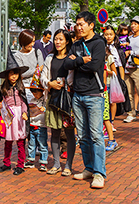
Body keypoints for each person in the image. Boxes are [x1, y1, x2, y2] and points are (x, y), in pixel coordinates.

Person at [64, 11, 107, 188]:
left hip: (94, 95)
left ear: (91, 25)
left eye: (82, 24)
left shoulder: (98, 43)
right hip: (77, 94)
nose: (78, 27)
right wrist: (82, 60)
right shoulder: (77, 44)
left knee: (96, 135)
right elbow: (67, 63)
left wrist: (77, 62)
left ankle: (99, 173)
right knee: (83, 135)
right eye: (77, 24)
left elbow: (94, 66)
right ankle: (89, 168)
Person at [41, 29, 76, 176]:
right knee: (54, 132)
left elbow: (73, 77)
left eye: (61, 39)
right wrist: (50, 83)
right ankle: (56, 164)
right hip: (53, 99)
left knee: (69, 133)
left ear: (67, 41)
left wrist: (64, 83)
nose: (58, 42)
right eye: (56, 39)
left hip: (67, 100)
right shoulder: (50, 57)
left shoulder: (72, 57)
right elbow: (43, 77)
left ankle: (68, 165)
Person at [0, 48, 29, 176]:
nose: (14, 76)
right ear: (7, 75)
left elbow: (24, 102)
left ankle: (20, 164)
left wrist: (25, 112)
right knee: (8, 141)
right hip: (8, 117)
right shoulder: (4, 88)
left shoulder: (20, 87)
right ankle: (6, 163)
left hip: (19, 116)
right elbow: (0, 103)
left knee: (20, 142)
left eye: (16, 73)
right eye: (11, 73)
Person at [123, 16, 139, 123]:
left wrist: (131, 52)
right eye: (132, 24)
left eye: (135, 24)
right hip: (128, 67)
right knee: (129, 92)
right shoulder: (130, 38)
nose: (132, 26)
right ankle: (131, 113)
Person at [103, 25, 127, 131]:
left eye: (111, 34)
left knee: (113, 101)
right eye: (106, 34)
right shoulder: (100, 47)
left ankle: (111, 121)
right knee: (105, 101)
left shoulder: (116, 49)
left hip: (112, 79)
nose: (108, 37)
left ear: (114, 35)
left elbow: (120, 66)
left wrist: (121, 81)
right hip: (103, 80)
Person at [14, 29, 44, 106]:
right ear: (23, 42)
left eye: (33, 41)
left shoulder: (37, 52)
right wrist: (37, 70)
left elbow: (43, 68)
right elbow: (22, 74)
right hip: (25, 88)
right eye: (30, 42)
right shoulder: (17, 56)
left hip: (38, 88)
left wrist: (31, 72)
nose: (32, 44)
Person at [26, 78, 48, 171]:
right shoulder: (32, 99)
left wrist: (44, 109)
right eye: (33, 92)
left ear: (41, 91)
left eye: (36, 92)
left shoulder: (45, 100)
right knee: (31, 144)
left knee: (42, 144)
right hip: (31, 124)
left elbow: (47, 109)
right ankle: (30, 160)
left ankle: (43, 162)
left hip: (41, 126)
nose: (34, 94)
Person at [103, 48, 118, 151]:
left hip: (102, 92)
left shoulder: (104, 62)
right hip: (96, 93)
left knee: (106, 117)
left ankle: (112, 140)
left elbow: (104, 82)